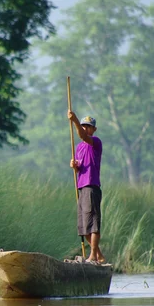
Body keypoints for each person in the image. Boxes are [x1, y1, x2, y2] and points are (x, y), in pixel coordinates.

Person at [67, 111, 105, 263]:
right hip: (81, 186)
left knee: (93, 223)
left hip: (91, 186)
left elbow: (83, 136)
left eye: (88, 127)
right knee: (84, 226)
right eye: (83, 126)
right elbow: (80, 167)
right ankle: (99, 255)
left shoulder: (95, 142)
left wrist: (74, 119)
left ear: (93, 129)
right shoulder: (79, 148)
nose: (85, 129)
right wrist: (74, 166)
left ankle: (93, 256)